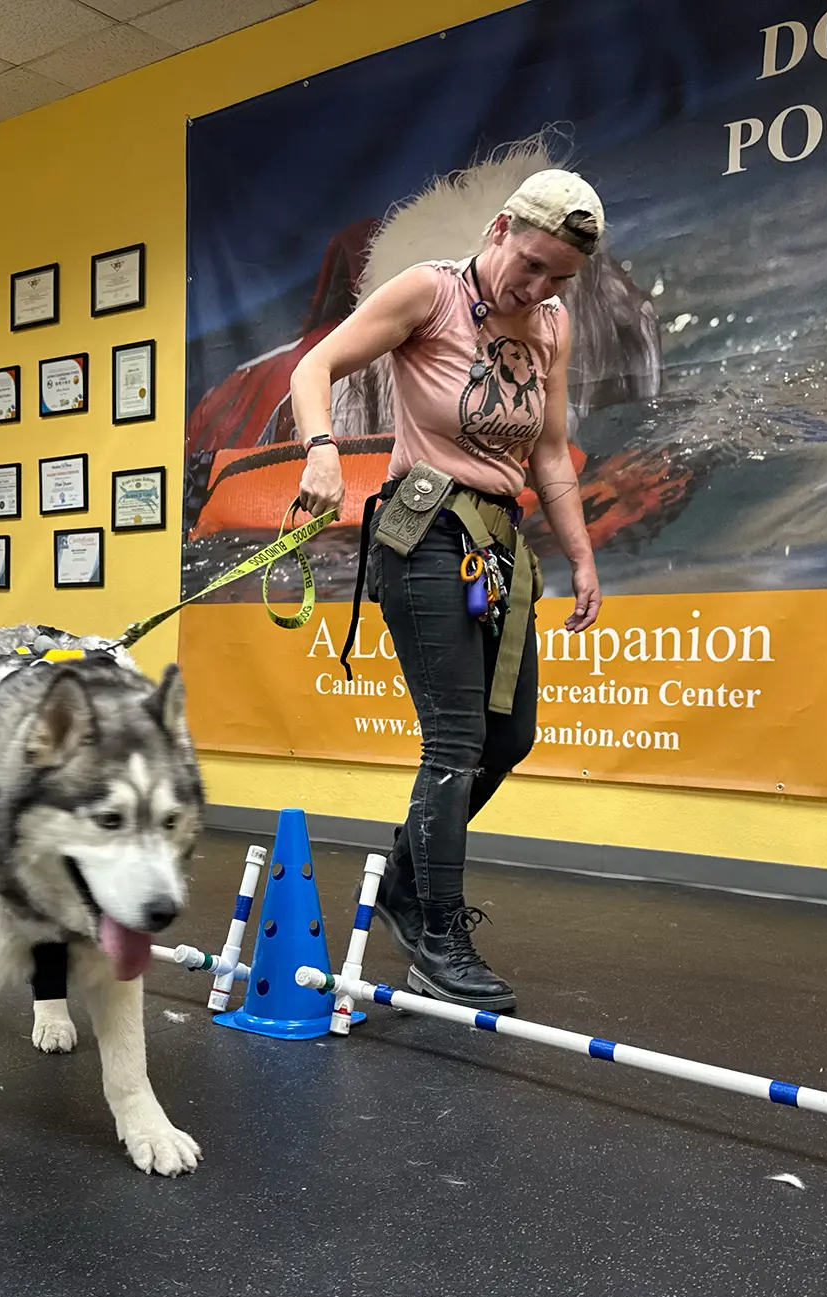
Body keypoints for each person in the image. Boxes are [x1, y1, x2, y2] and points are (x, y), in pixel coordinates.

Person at [288, 169, 605, 1011]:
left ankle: (403, 883)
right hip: (422, 534)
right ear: (500, 229)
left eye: (559, 278)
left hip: (499, 544)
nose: (538, 289)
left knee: (511, 737)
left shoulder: (552, 325)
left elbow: (549, 451)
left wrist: (582, 558)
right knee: (456, 742)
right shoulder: (429, 293)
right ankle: (437, 939)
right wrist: (321, 449)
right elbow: (316, 364)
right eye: (531, 265)